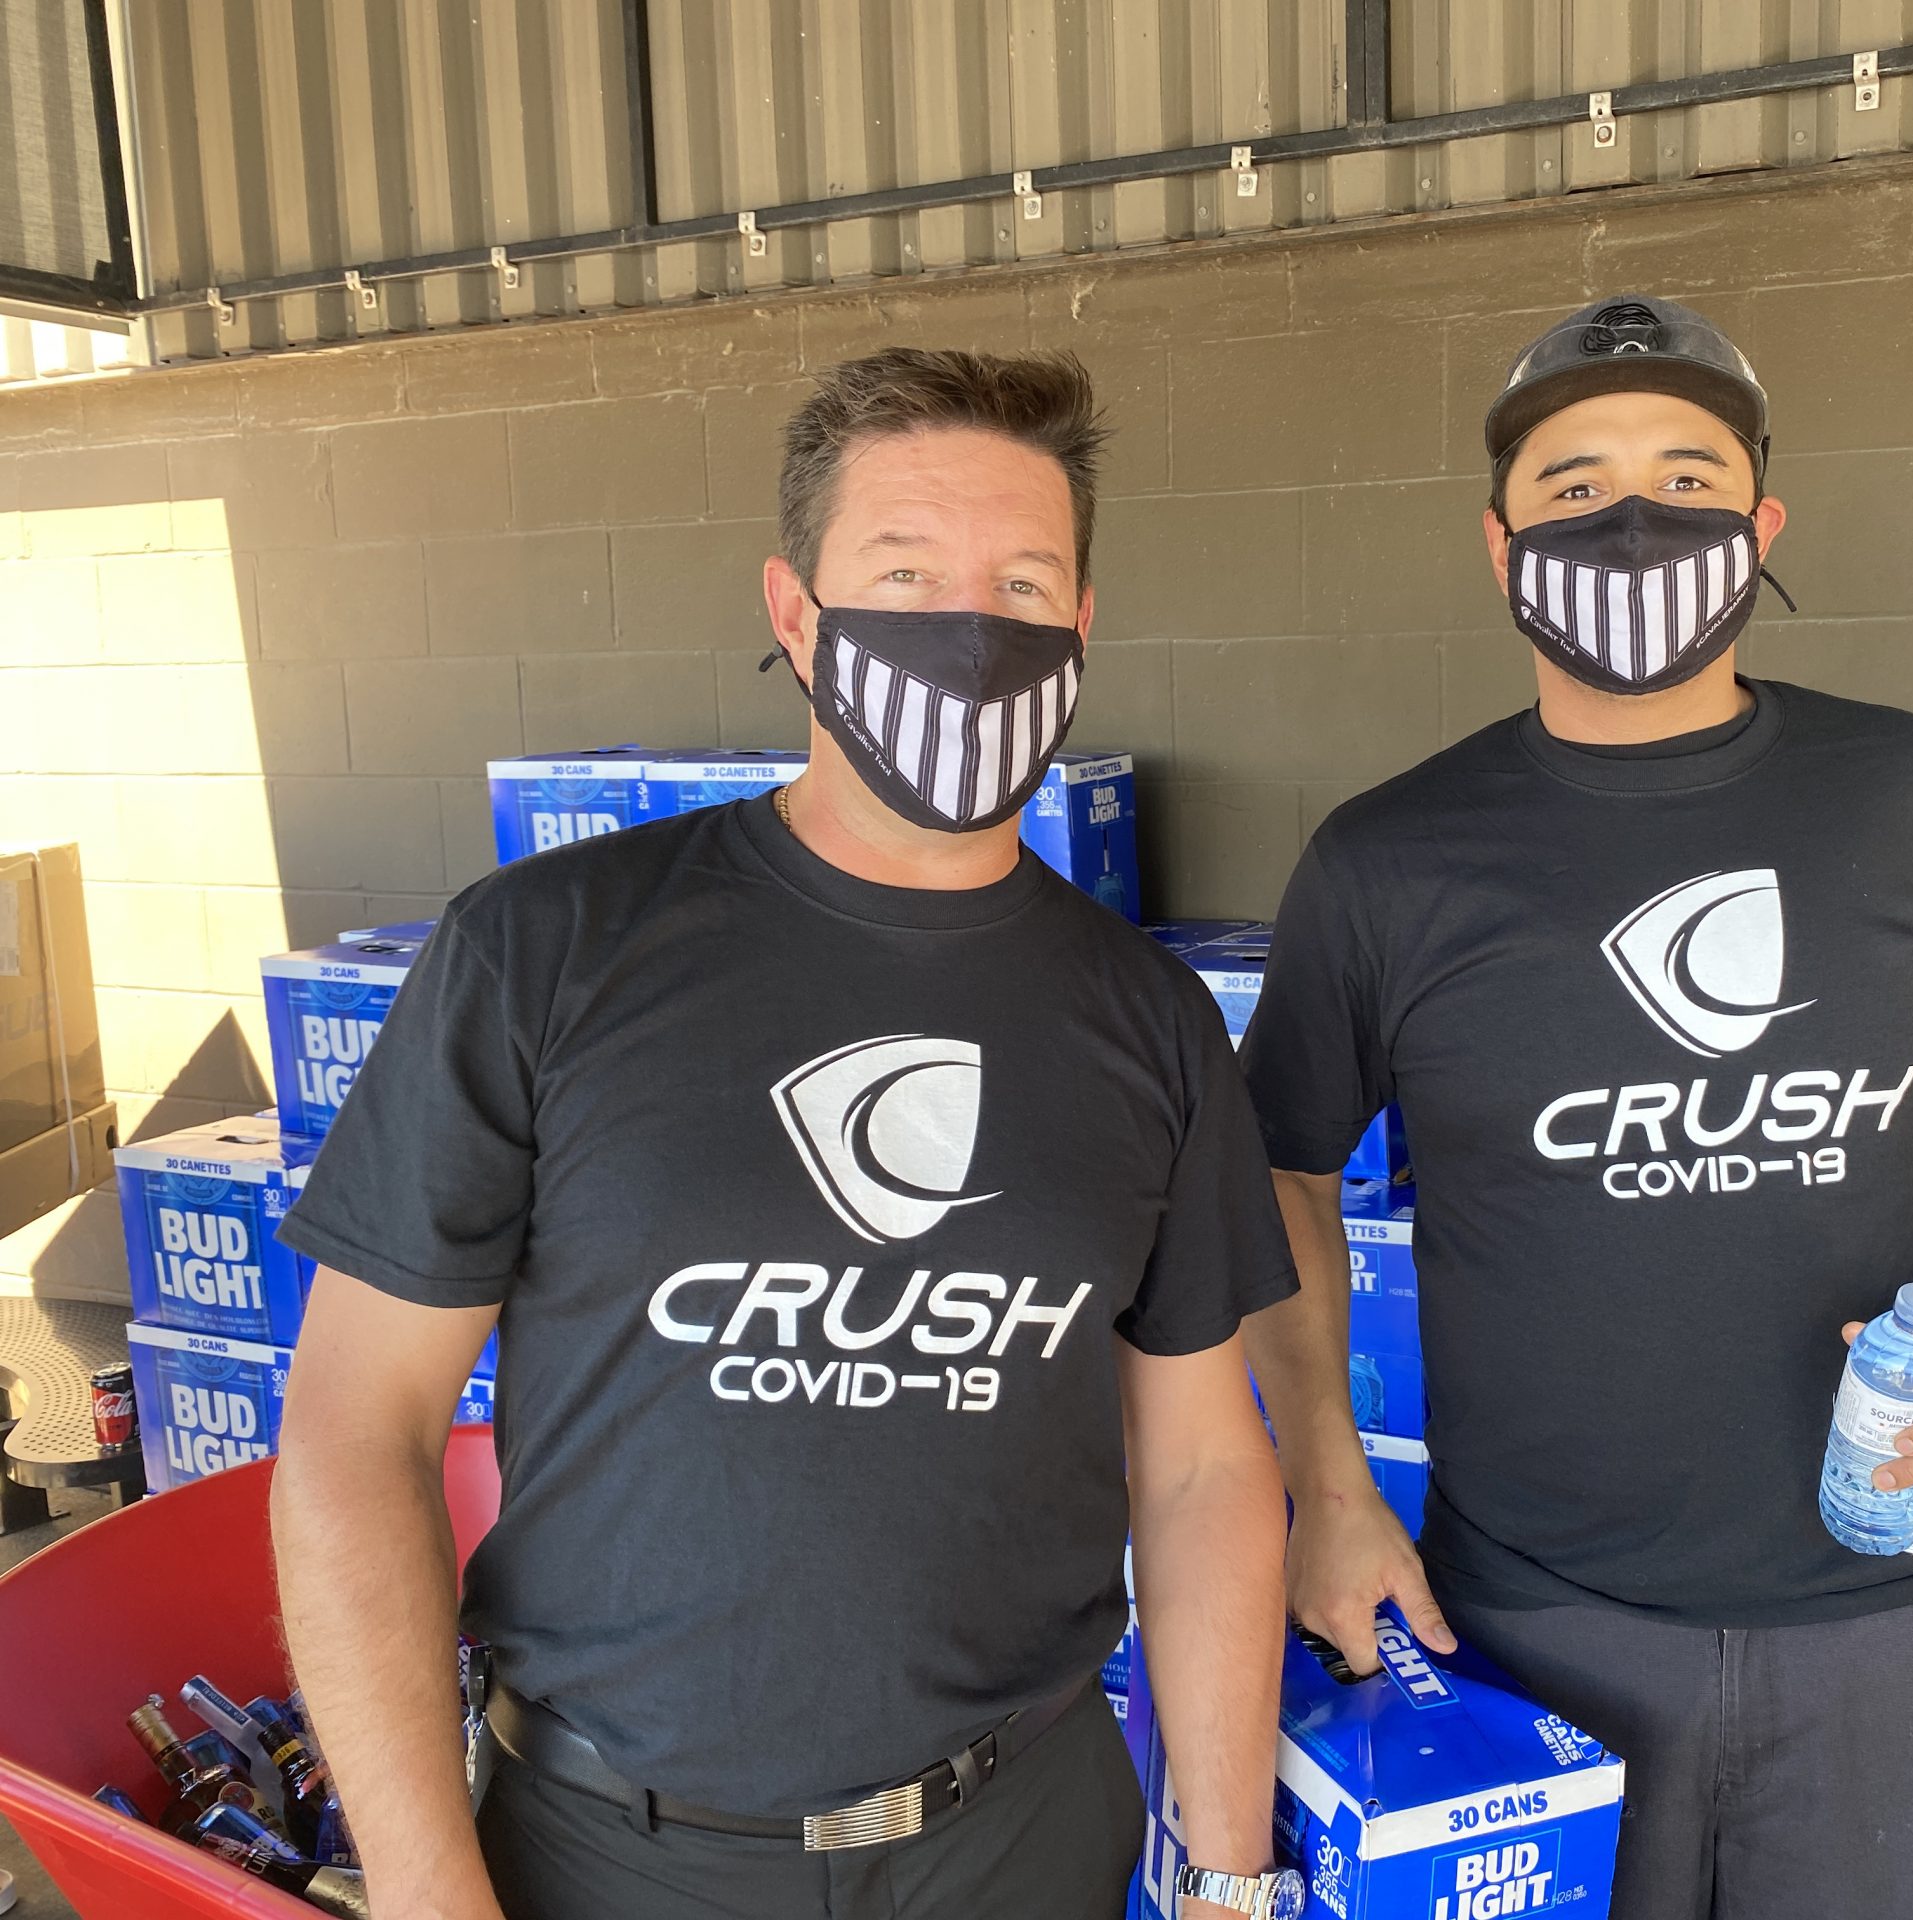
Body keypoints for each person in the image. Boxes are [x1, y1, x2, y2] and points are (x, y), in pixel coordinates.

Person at [269, 348, 1306, 1920]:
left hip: (1020, 1840)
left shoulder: (1149, 1018)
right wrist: (426, 1889)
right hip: (612, 1855)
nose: (971, 626)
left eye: (1023, 583)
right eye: (905, 572)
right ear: (795, 612)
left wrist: (1226, 1876)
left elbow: (1204, 1469)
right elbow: (358, 1433)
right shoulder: (545, 953)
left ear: (1083, 626)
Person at [1239, 295, 1913, 1919]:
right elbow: (1278, 1178)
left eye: (1687, 480)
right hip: (1534, 1631)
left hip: (1887, 1609)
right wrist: (1334, 1492)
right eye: (1574, 487)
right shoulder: (1387, 860)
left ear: (1763, 529)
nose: (1632, 520)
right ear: (1500, 548)